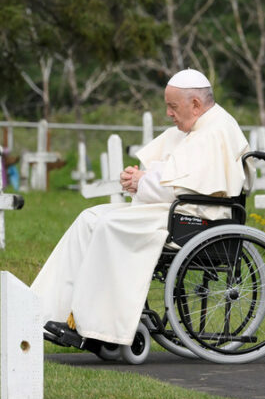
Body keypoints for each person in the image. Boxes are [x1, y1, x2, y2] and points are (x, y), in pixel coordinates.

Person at [33, 69, 252, 350]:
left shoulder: (216, 130)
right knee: (90, 217)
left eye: (173, 107)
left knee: (109, 225)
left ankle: (95, 327)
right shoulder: (198, 127)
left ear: (195, 104)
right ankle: (43, 310)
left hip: (198, 217)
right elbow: (176, 172)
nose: (168, 114)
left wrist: (143, 182)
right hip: (178, 209)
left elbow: (189, 188)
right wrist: (140, 177)